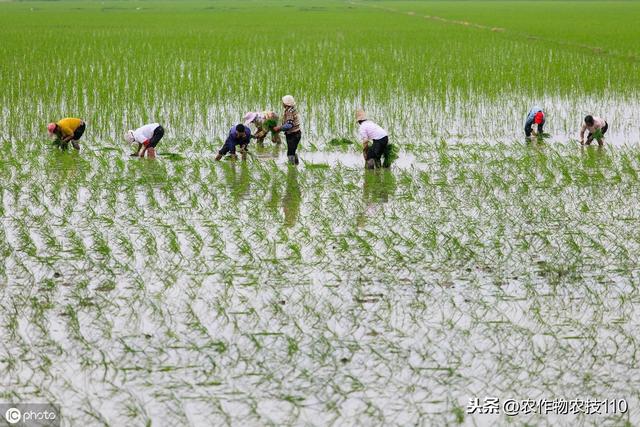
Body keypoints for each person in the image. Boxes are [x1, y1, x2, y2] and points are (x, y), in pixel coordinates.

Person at [272, 95, 301, 165]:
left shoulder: (289, 112)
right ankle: (296, 165)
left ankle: (291, 170)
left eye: (283, 102)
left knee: (290, 153)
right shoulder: (292, 109)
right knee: (292, 150)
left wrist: (279, 128)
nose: (282, 103)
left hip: (292, 135)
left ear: (286, 104)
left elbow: (289, 125)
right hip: (298, 133)